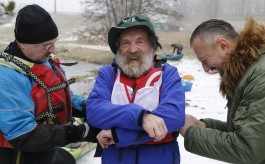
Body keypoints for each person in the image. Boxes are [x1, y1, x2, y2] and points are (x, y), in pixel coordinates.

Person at [86, 15, 185, 164]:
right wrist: (141, 117)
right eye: (126, 43)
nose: (133, 50)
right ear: (119, 49)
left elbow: (173, 117)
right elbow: (95, 111)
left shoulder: (167, 74)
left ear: (152, 47)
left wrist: (118, 135)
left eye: (140, 41)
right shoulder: (108, 74)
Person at [0, 4, 93, 164]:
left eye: (54, 42)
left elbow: (64, 96)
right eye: (46, 45)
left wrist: (89, 109)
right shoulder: (6, 76)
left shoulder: (44, 62)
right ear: (22, 42)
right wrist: (79, 132)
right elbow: (22, 133)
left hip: (46, 151)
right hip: (18, 156)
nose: (54, 49)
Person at [180, 18, 265, 163]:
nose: (205, 68)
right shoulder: (248, 70)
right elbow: (252, 131)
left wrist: (192, 133)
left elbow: (250, 149)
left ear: (223, 46)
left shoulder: (260, 76)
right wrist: (205, 126)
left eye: (205, 60)